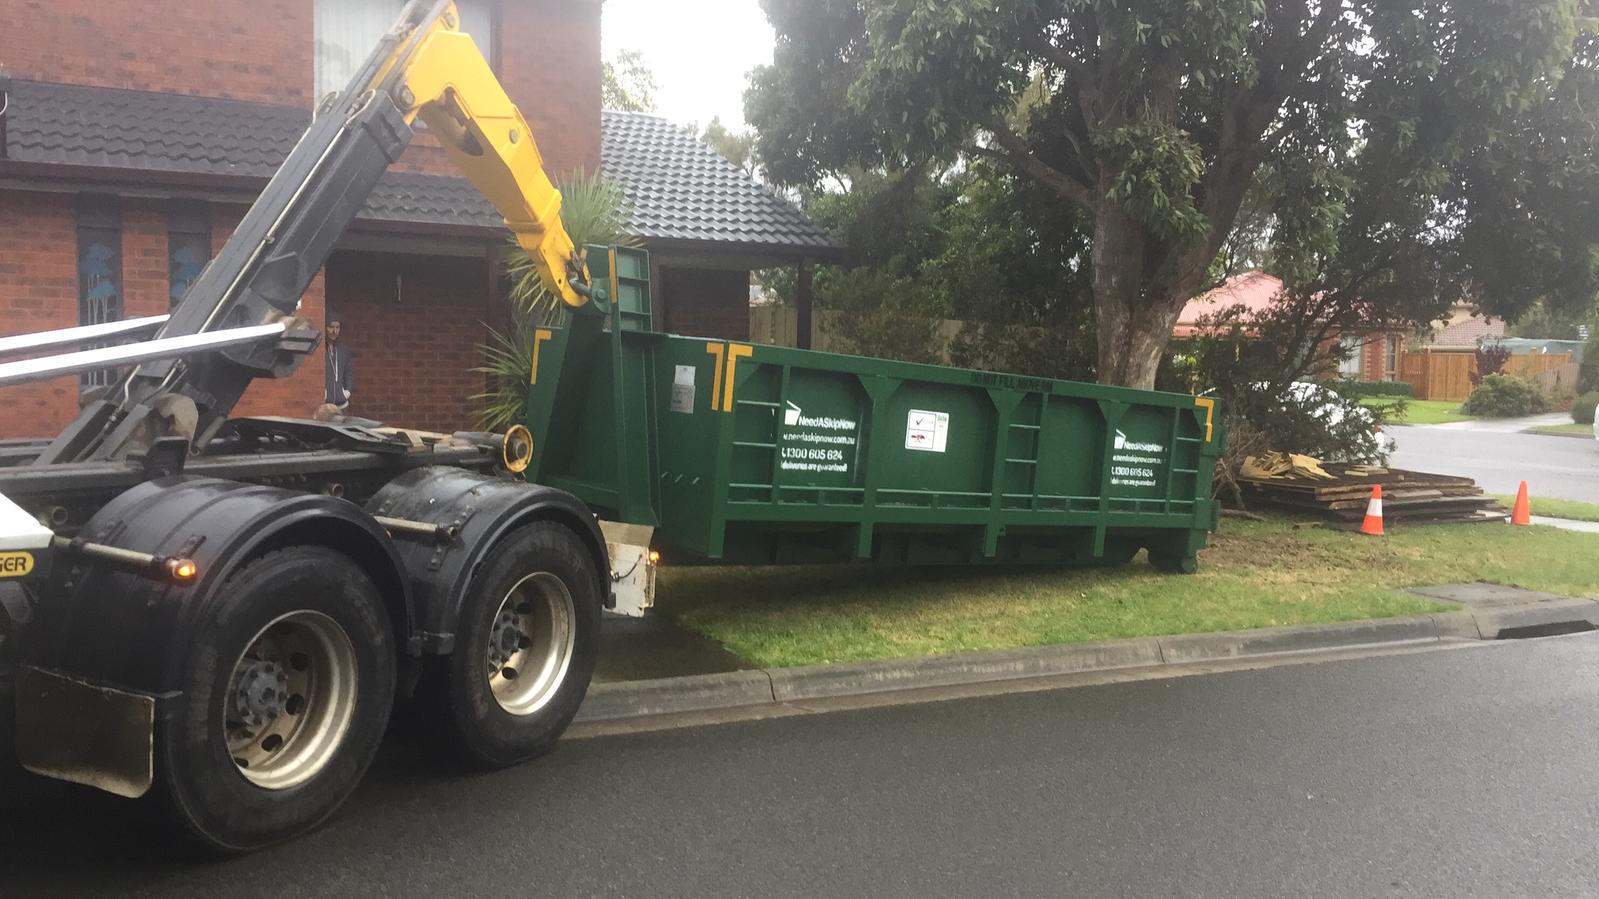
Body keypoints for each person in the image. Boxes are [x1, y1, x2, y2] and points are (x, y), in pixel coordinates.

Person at [324, 318, 354, 414]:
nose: (334, 331)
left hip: (342, 405)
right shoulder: (319, 349)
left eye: (337, 327)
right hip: (324, 406)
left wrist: (347, 392)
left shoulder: (343, 350)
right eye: (331, 327)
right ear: (324, 327)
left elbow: (349, 372)